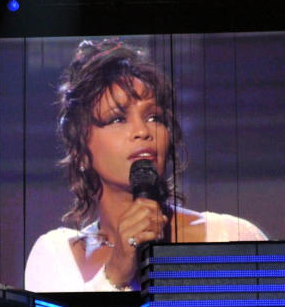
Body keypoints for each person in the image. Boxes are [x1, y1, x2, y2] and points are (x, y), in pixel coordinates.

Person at [24, 40, 266, 293]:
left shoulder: (231, 236)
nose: (142, 131)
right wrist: (116, 271)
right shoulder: (56, 256)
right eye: (117, 119)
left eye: (154, 117)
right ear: (81, 151)